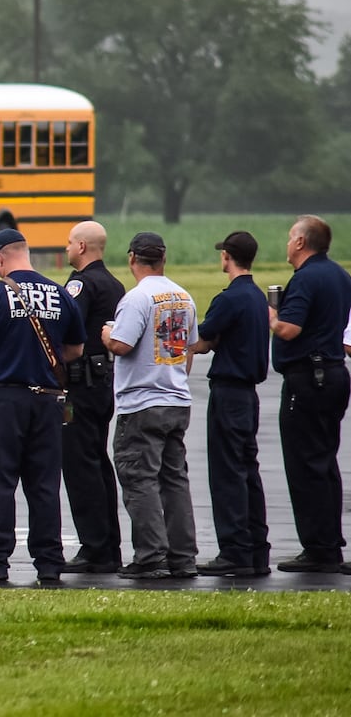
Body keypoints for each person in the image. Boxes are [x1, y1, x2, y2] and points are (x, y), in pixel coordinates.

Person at [0, 229, 84, 584]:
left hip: (3, 398)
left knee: (0, 481)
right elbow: (74, 351)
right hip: (47, 399)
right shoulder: (60, 294)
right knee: (43, 484)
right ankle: (49, 563)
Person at [102, 231, 199, 580]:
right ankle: (183, 556)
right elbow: (188, 349)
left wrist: (106, 333)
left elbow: (122, 345)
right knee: (174, 480)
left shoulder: (137, 298)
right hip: (176, 397)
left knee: (139, 478)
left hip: (142, 402)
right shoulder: (183, 296)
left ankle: (150, 555)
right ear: (163, 259)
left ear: (132, 259)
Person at [268, 215, 351, 573]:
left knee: (304, 465)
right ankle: (330, 541)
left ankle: (318, 548)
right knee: (325, 460)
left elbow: (289, 329)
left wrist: (271, 313)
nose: (287, 244)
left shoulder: (305, 278)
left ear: (301, 242)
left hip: (307, 378)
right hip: (333, 371)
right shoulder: (339, 275)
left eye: (290, 238)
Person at [189, 231, 271, 577]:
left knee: (227, 474)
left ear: (227, 256)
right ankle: (256, 549)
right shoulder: (255, 296)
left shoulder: (230, 298)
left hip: (228, 391)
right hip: (249, 393)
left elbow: (203, 341)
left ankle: (234, 550)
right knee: (248, 470)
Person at [59, 220, 127, 574]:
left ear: (82, 247)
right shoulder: (114, 284)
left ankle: (94, 547)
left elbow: (65, 328)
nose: (67, 249)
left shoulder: (80, 284)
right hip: (103, 384)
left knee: (79, 463)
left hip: (78, 388)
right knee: (99, 462)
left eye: (70, 243)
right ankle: (109, 543)